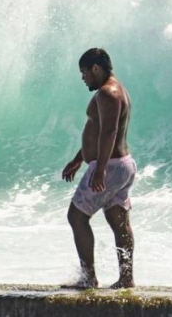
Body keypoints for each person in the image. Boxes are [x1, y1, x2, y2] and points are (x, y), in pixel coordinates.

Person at [61, 48, 137, 289]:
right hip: (120, 166)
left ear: (96, 68)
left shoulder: (108, 93)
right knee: (118, 221)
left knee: (76, 216)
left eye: (84, 72)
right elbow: (96, 130)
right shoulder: (115, 90)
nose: (83, 78)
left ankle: (89, 278)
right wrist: (79, 158)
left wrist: (100, 168)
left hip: (111, 166)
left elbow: (109, 132)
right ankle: (126, 279)